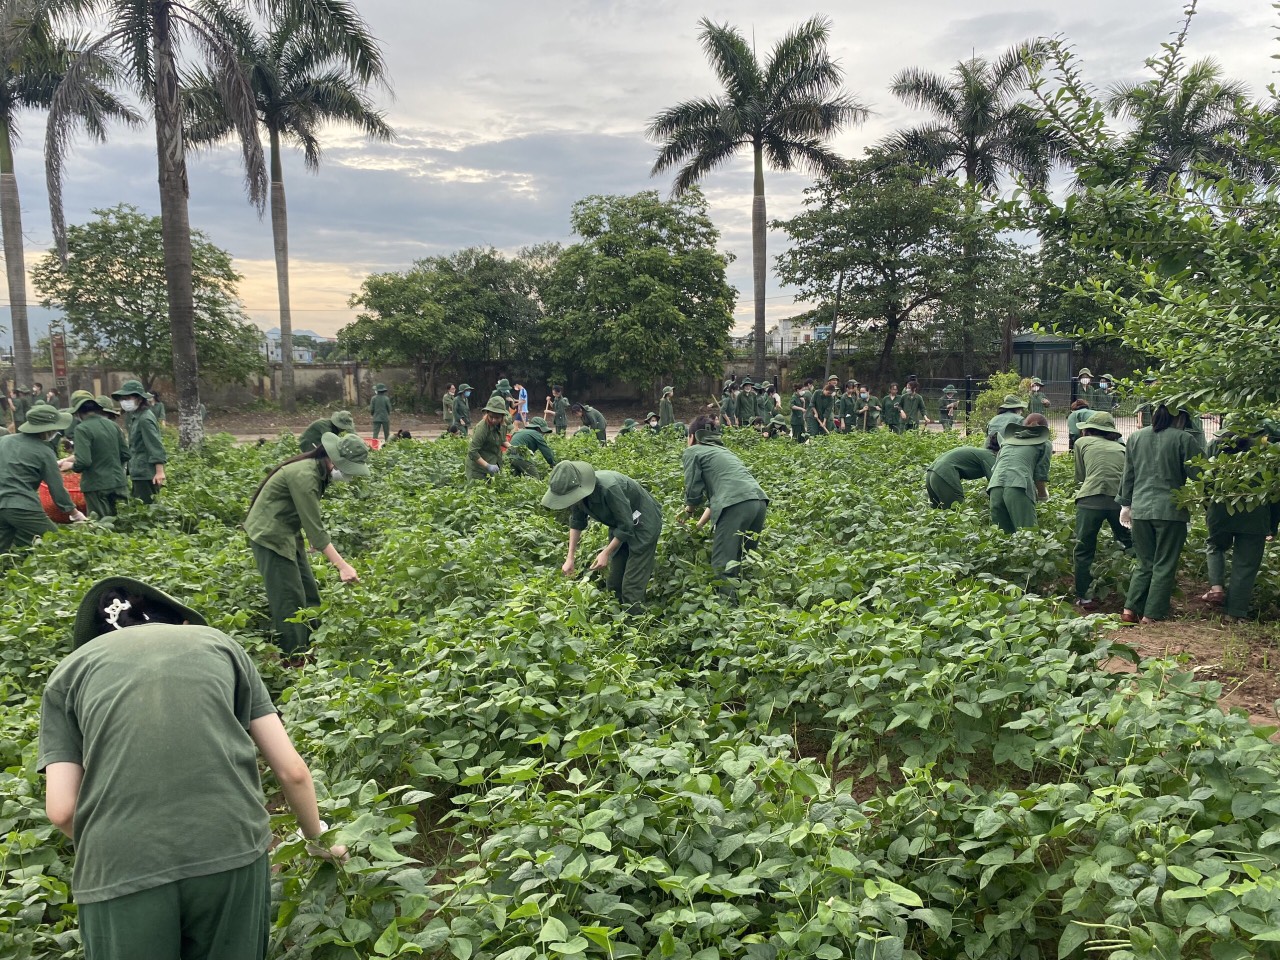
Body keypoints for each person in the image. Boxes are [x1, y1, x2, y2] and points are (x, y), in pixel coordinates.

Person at [38, 577, 346, 960]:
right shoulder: (218, 643)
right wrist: (318, 841)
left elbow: (61, 810)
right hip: (228, 844)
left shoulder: (68, 673)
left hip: (119, 865)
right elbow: (292, 772)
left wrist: (125, 849)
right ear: (180, 621)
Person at [244, 432, 368, 654]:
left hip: (287, 531)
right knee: (288, 599)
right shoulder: (306, 475)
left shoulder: (319, 470)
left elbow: (307, 515)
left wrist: (311, 535)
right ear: (337, 460)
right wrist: (342, 566)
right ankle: (293, 657)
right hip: (270, 535)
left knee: (308, 591)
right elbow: (316, 529)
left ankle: (313, 645)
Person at [1118, 405, 1204, 624]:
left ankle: (1130, 610)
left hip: (1141, 509)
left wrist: (1125, 504)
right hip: (1171, 511)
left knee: (1144, 562)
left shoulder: (1136, 437)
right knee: (1164, 563)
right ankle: (1152, 615)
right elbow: (1200, 473)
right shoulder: (1183, 439)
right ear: (1180, 418)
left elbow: (1128, 474)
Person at [543, 460, 662, 607]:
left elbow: (626, 526)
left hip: (644, 520)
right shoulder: (577, 496)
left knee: (632, 586)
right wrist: (570, 558)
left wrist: (606, 552)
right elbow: (577, 522)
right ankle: (619, 618)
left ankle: (635, 622)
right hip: (620, 524)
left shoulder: (609, 488)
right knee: (614, 582)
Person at [682, 416, 769, 594]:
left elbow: (692, 489)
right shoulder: (724, 452)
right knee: (743, 558)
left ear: (692, 436)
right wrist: (699, 525)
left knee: (723, 564)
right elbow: (717, 499)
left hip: (735, 505)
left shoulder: (693, 451)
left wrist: (688, 513)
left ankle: (727, 610)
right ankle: (748, 600)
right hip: (758, 502)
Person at [1200, 423, 1278, 619]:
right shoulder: (1267, 450)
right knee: (1246, 564)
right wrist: (1273, 524)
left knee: (1215, 546)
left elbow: (1205, 480)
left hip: (1220, 510)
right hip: (1255, 514)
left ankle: (1216, 587)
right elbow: (1276, 492)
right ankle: (1235, 612)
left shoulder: (1214, 445)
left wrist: (1208, 509)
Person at [0, 404, 87, 549]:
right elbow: (57, 490)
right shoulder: (44, 452)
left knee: (3, 550)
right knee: (56, 543)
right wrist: (74, 513)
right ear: (48, 429)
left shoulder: (4, 441)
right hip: (22, 506)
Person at [1071, 412, 1132, 610]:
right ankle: (1135, 592)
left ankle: (1084, 596)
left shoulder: (1082, 442)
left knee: (1083, 548)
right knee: (1129, 543)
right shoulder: (1122, 447)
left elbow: (1081, 474)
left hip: (1089, 499)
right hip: (1118, 501)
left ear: (1088, 429)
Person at [60, 393, 130, 518]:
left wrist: (70, 465)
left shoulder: (82, 429)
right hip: (118, 483)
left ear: (78, 413)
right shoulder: (113, 425)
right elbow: (125, 454)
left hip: (97, 485)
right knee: (121, 523)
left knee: (102, 526)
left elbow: (84, 461)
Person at [986, 417, 1052, 533]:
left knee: (1003, 537)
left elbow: (995, 468)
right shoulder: (1044, 444)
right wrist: (1043, 496)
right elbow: (1040, 474)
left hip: (995, 487)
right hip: (1018, 486)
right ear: (1044, 430)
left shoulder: (1008, 442)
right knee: (1027, 534)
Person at [110, 380, 167, 503]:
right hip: (139, 471)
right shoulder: (137, 416)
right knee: (140, 507)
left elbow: (155, 445)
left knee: (147, 508)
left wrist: (159, 471)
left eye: (128, 398)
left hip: (145, 473)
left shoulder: (145, 419)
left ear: (140, 399)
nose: (125, 402)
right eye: (122, 399)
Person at [926, 444, 996, 508]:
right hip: (943, 474)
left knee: (938, 512)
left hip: (931, 473)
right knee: (956, 512)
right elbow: (996, 483)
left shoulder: (981, 452)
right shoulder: (990, 456)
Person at [467, 395, 509, 479]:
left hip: (493, 463)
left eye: (497, 418)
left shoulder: (503, 425)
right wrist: (487, 466)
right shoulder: (482, 428)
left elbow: (502, 439)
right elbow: (472, 452)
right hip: (478, 469)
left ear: (502, 417)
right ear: (487, 414)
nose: (493, 420)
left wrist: (511, 447)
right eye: (491, 417)